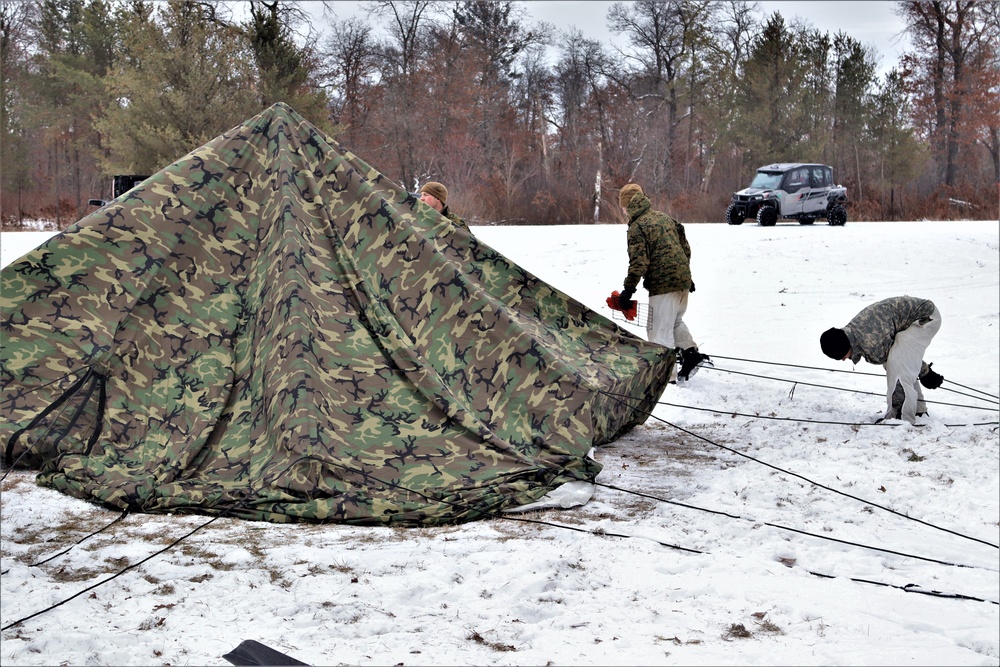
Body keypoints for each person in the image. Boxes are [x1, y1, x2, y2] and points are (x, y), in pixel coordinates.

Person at [615, 183, 709, 383]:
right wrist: (684, 276)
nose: (622, 211)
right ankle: (691, 354)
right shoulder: (664, 218)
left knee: (659, 333)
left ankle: (666, 381)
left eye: (622, 207)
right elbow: (685, 247)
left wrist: (628, 290)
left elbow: (639, 261)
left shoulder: (637, 226)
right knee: (674, 321)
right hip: (682, 282)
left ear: (627, 205)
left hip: (663, 286)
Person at [820, 296, 944, 424]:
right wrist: (924, 372)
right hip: (912, 319)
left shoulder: (870, 340)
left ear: (843, 347)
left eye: (841, 356)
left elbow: (900, 362)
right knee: (897, 363)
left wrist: (925, 372)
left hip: (926, 318)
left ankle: (901, 417)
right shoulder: (855, 333)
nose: (843, 360)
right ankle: (918, 410)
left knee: (897, 368)